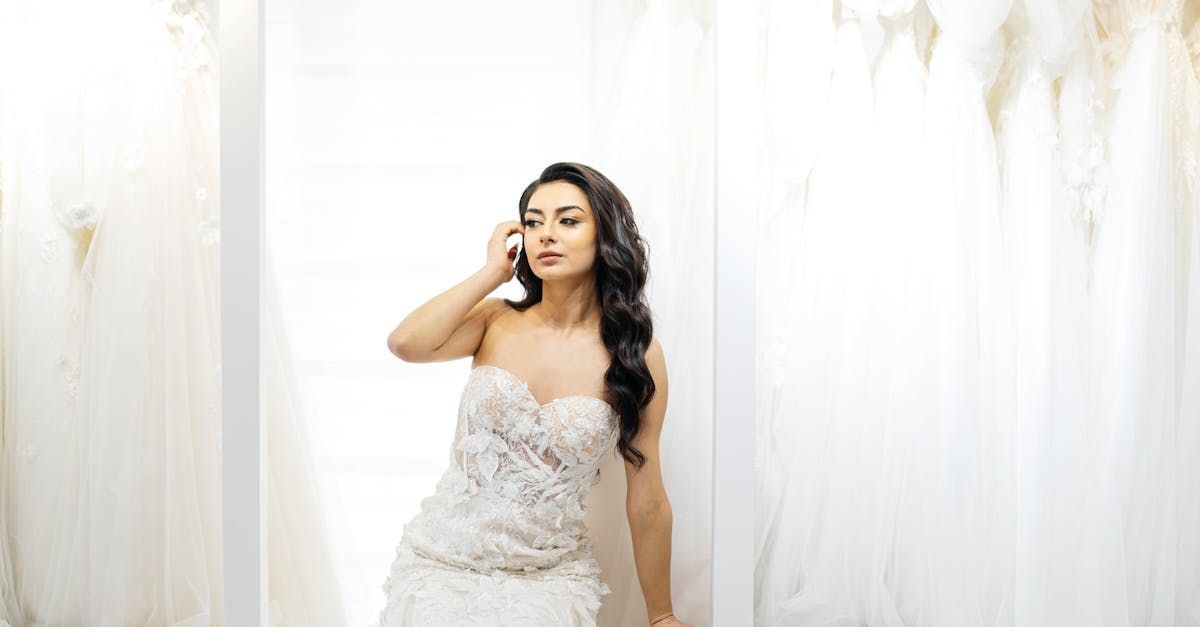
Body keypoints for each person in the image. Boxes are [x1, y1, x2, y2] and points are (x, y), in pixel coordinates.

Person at [379, 162, 690, 626]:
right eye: (532, 221)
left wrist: (661, 615)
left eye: (567, 220)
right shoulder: (494, 320)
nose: (546, 233)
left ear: (604, 235)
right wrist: (490, 273)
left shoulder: (633, 354)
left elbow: (646, 498)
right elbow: (406, 343)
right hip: (441, 563)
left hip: (550, 577)